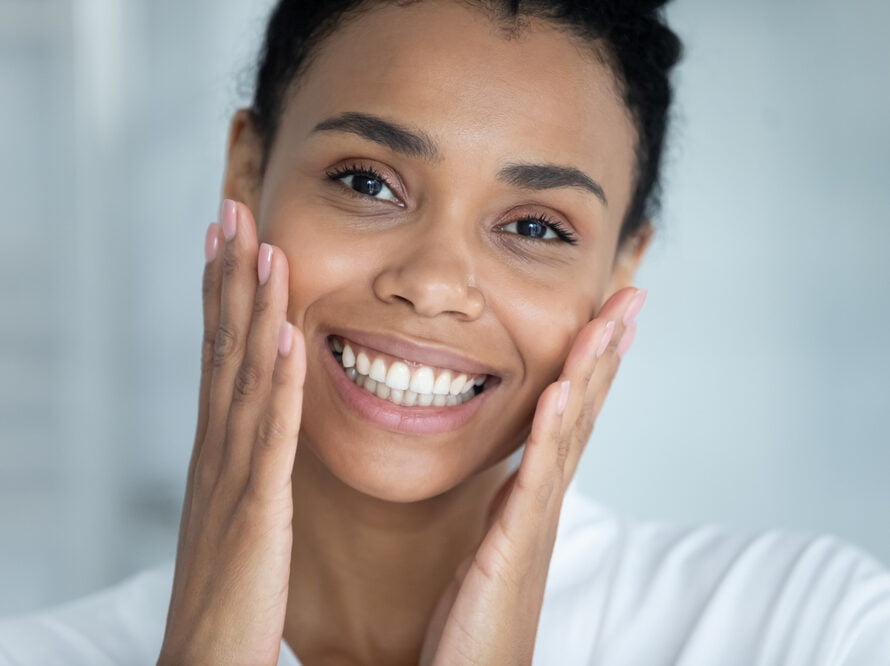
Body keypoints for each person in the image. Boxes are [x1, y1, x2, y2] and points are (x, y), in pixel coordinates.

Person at [2, 0, 889, 664]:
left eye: (536, 228)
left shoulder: (808, 628)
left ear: (620, 272)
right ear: (247, 170)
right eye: (367, 182)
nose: (431, 285)